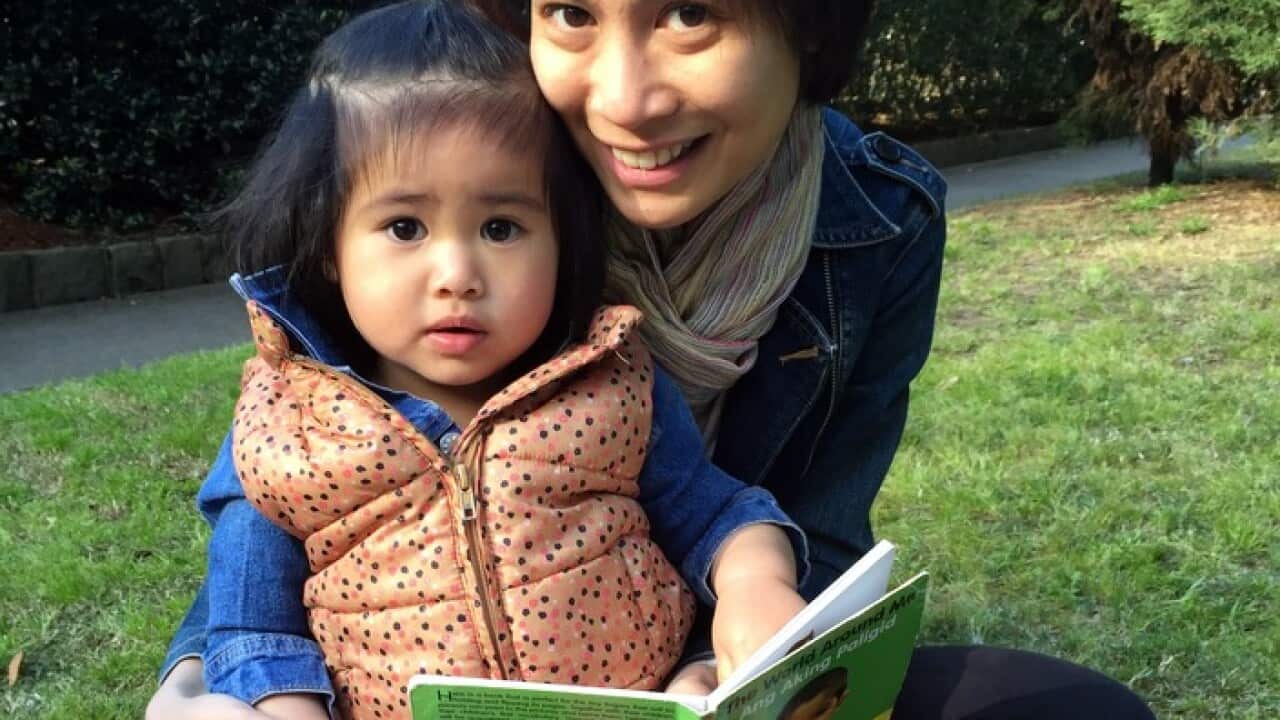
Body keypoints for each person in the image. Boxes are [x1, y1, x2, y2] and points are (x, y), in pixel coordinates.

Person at [149, 1, 1158, 718]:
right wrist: (219, 684)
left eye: (688, 13)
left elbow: (792, 530)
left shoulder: (861, 232)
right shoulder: (476, 136)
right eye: (571, 13)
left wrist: (732, 661)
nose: (624, 103)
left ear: (804, 25)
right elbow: (282, 528)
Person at [157, 3, 810, 718]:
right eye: (404, 227)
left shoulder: (610, 383)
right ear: (327, 248)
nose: (457, 273)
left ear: (564, 241)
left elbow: (716, 512)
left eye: (502, 227)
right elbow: (252, 623)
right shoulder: (289, 429)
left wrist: (752, 586)